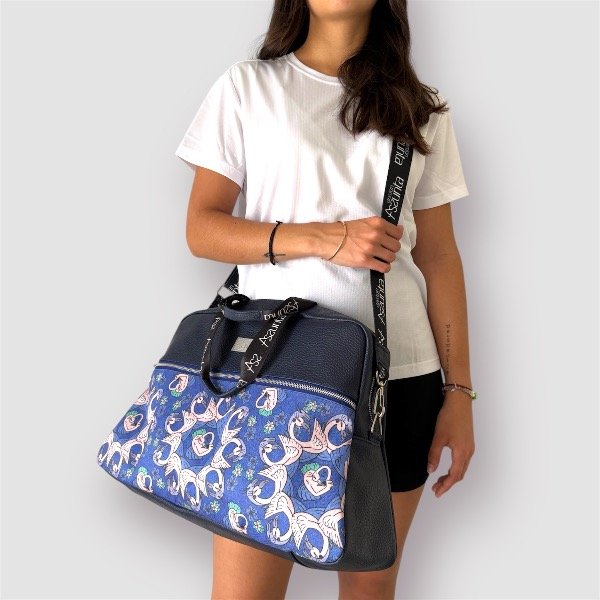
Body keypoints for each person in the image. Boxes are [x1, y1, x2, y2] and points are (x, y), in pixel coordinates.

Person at [174, 1, 476, 598]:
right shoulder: (249, 86)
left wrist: (459, 393)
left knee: (369, 593)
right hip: (272, 377)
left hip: (396, 382)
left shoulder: (419, 108)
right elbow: (202, 229)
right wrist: (321, 238)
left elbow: (440, 257)